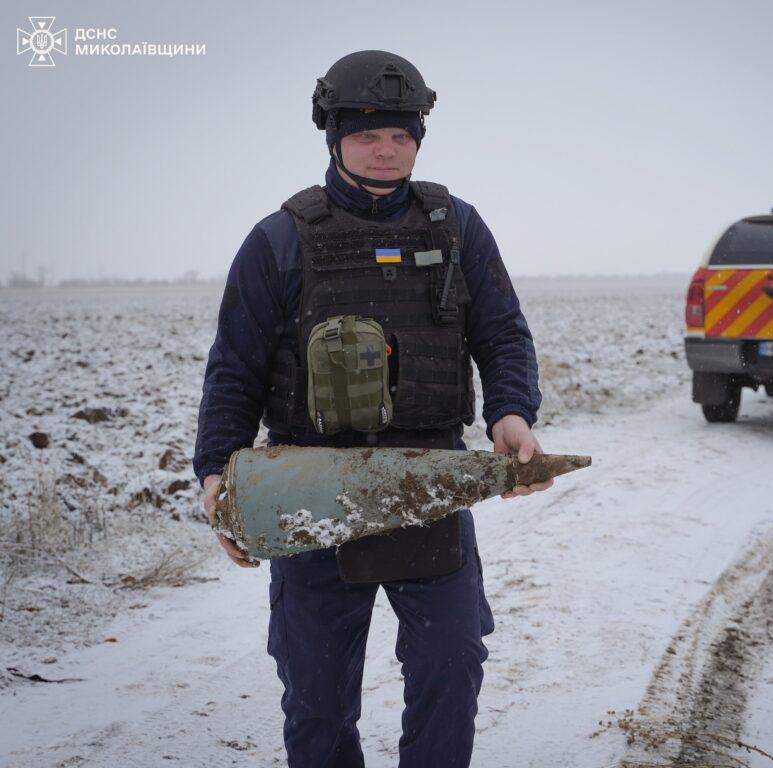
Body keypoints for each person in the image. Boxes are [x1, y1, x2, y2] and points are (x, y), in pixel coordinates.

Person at [193, 50, 551, 767]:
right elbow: (234, 368)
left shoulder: (458, 227)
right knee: (318, 690)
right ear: (333, 137)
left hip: (429, 481)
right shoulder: (280, 239)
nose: (387, 150)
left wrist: (511, 413)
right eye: (367, 135)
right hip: (310, 488)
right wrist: (216, 476)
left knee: (451, 662)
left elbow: (502, 334)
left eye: (401, 135)